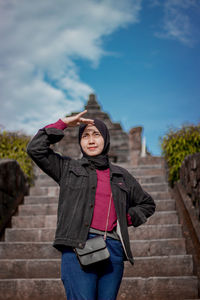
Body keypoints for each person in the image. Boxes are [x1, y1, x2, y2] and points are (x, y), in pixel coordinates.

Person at [27, 110, 156, 300]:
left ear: (105, 139)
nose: (91, 140)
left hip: (113, 249)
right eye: (85, 135)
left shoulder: (121, 175)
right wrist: (62, 123)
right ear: (80, 142)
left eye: (96, 134)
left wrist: (123, 218)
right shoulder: (68, 168)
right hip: (77, 247)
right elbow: (35, 149)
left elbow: (147, 204)